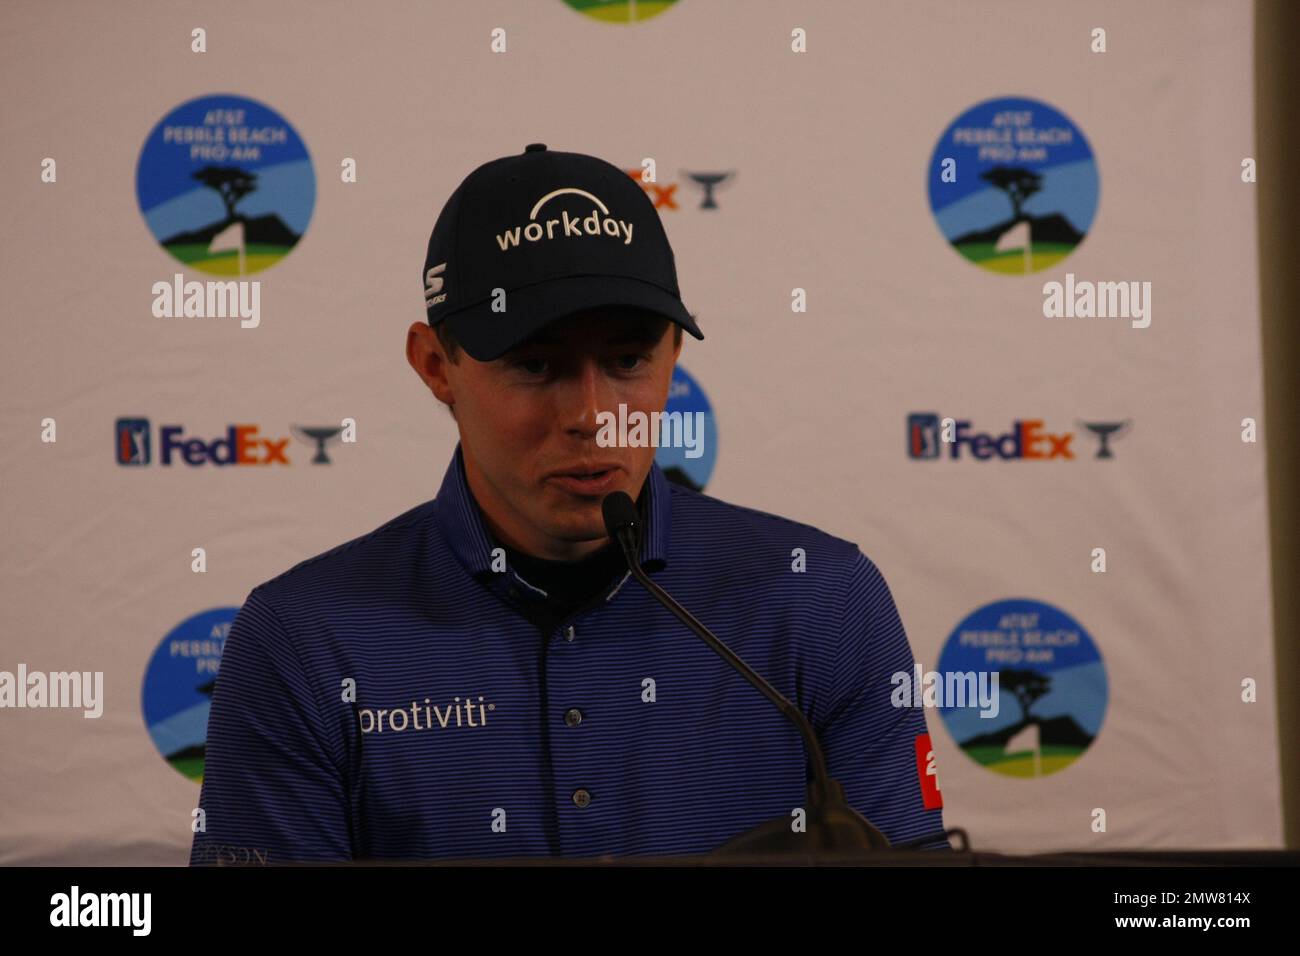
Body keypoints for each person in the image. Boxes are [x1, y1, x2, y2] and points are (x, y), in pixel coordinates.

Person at [190, 144, 949, 864]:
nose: (593, 413)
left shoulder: (822, 599)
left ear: (674, 357)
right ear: (435, 366)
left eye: (627, 359)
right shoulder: (302, 641)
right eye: (536, 363)